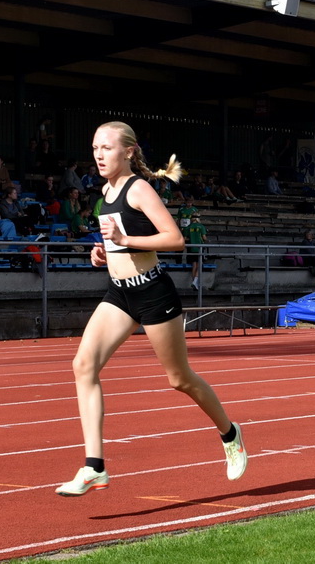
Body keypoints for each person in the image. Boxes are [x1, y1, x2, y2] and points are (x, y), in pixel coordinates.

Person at [54, 121, 246, 497]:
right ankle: (94, 466)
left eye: (106, 147)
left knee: (180, 379)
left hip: (154, 294)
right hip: (120, 295)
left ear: (129, 151)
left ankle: (230, 433)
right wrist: (103, 253)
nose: (98, 154)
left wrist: (125, 240)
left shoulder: (138, 188)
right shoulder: (103, 193)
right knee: (83, 365)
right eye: (95, 148)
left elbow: (174, 239)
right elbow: (120, 245)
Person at [185, 213, 207, 290]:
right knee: (200, 264)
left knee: (194, 265)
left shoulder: (188, 227)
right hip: (199, 248)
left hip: (191, 248)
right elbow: (204, 238)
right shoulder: (201, 227)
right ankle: (195, 281)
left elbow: (185, 239)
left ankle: (195, 283)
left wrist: (192, 238)